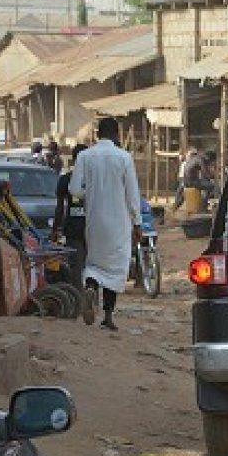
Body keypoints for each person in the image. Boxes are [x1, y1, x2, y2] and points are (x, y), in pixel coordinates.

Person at [69, 117, 141, 331]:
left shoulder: (84, 156)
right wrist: (137, 222)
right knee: (115, 267)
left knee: (95, 263)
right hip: (119, 223)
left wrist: (90, 193)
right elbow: (132, 194)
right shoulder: (124, 157)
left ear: (97, 134)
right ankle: (108, 316)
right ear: (117, 134)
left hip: (94, 220)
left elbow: (74, 190)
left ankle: (91, 286)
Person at [53, 143, 88, 285]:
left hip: (74, 230)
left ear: (73, 160)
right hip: (92, 230)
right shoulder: (97, 180)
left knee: (76, 269)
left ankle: (80, 296)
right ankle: (90, 296)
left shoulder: (65, 179)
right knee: (93, 269)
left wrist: (55, 229)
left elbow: (60, 208)